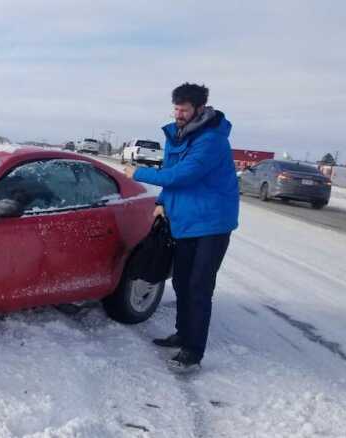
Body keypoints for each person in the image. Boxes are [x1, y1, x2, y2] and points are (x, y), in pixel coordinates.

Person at [123, 83, 239, 373]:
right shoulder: (178, 136)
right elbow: (175, 179)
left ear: (199, 109)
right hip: (185, 221)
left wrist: (137, 172)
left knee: (199, 287)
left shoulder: (211, 140)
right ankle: (182, 334)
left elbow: (183, 175)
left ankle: (193, 351)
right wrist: (162, 201)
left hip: (211, 224)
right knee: (181, 282)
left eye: (184, 109)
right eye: (176, 108)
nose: (178, 114)